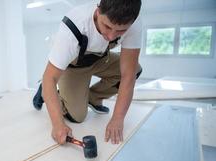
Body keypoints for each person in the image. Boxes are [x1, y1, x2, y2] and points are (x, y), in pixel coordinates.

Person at [33, 0, 142, 145]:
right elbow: (50, 78)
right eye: (107, 26)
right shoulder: (74, 25)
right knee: (77, 116)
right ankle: (44, 92)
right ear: (98, 11)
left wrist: (118, 118)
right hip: (74, 67)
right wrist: (58, 125)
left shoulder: (133, 24)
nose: (111, 36)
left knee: (135, 71)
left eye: (120, 31)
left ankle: (93, 98)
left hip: (102, 59)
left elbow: (128, 75)